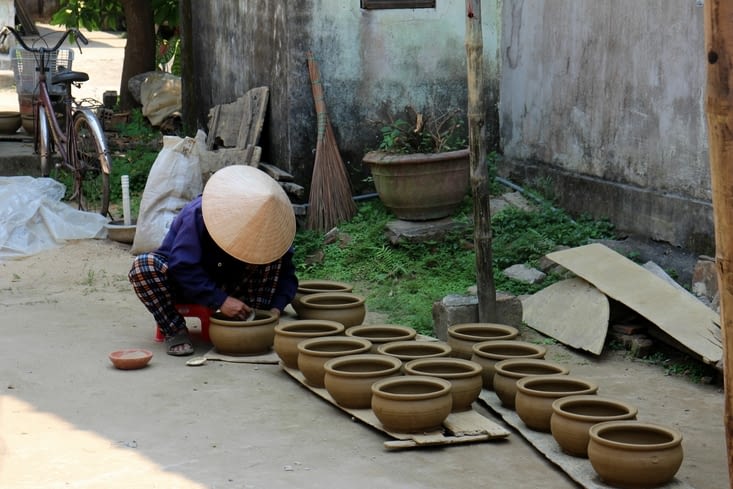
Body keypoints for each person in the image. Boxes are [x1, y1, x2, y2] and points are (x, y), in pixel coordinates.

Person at [128, 165, 298, 356]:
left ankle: (255, 321)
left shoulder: (272, 227)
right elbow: (182, 266)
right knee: (143, 268)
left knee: (273, 257)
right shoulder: (200, 213)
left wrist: (275, 309)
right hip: (184, 283)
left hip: (236, 286)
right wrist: (220, 300)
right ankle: (174, 330)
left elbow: (287, 275)